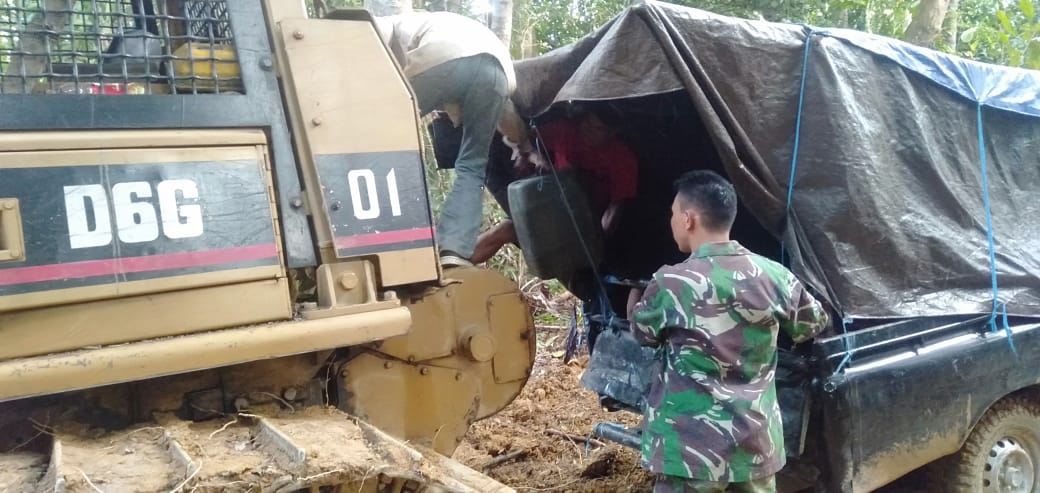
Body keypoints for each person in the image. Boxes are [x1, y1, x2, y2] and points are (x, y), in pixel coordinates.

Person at [630, 170, 829, 493]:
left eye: (673, 214)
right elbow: (813, 324)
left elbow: (642, 333)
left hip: (690, 451)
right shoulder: (775, 276)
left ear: (688, 219)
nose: (672, 221)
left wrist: (634, 298)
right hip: (754, 445)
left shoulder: (670, 283)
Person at [374, 12, 531, 267]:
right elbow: (507, 116)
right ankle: (454, 250)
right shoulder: (462, 27)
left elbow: (372, 34)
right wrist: (522, 145)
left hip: (440, 57)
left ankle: (390, 240)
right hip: (498, 73)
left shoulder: (400, 21)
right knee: (472, 166)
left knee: (377, 139)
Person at [471, 104, 639, 264]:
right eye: (586, 123)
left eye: (597, 129)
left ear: (612, 133)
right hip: (554, 210)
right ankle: (457, 265)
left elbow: (615, 206)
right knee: (507, 229)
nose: (587, 130)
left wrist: (598, 242)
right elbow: (525, 140)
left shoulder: (623, 160)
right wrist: (534, 157)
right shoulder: (565, 131)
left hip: (586, 222)